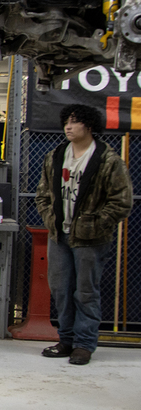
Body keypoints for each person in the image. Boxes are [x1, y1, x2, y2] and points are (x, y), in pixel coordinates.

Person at [36, 104, 132, 365]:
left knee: (86, 292)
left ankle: (84, 344)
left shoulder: (108, 160)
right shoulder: (56, 156)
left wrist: (95, 225)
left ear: (89, 126)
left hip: (91, 239)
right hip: (59, 236)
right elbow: (43, 195)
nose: (68, 126)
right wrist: (51, 219)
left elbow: (121, 201)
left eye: (75, 122)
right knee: (61, 290)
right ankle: (66, 340)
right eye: (66, 121)